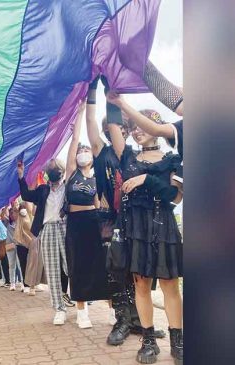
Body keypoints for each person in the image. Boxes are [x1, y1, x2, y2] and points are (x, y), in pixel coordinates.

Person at [86, 79, 167, 344]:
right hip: (113, 220)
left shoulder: (134, 154)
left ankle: (141, 324)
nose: (121, 128)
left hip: (140, 219)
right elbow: (92, 125)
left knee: (142, 272)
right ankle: (122, 320)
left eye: (126, 126)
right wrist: (94, 91)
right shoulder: (103, 151)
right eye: (118, 125)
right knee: (118, 271)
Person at [107, 106, 184, 364]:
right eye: (134, 126)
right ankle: (148, 340)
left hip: (163, 224)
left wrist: (145, 180)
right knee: (141, 284)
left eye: (143, 125)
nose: (137, 130)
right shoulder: (126, 155)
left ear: (156, 128)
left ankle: (178, 341)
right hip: (135, 228)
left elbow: (176, 196)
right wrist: (110, 93)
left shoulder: (173, 159)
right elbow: (114, 126)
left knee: (170, 285)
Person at [63, 102, 112, 329]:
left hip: (93, 222)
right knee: (78, 265)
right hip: (74, 223)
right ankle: (82, 312)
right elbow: (74, 140)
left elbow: (98, 205)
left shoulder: (95, 179)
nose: (83, 153)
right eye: (81, 151)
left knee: (100, 264)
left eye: (86, 151)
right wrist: (80, 112)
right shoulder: (71, 173)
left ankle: (113, 311)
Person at [17, 156, 71, 325]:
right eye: (49, 169)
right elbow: (25, 194)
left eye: (54, 168)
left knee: (70, 267)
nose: (51, 171)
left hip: (66, 228)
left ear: (61, 171)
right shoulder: (42, 190)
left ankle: (81, 300)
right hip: (47, 229)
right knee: (53, 270)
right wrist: (21, 176)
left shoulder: (68, 188)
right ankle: (59, 309)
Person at [3, 205, 23, 291]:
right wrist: (6, 206)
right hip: (10, 246)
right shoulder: (7, 223)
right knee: (11, 264)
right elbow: (2, 216)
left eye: (15, 212)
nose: (13, 215)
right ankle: (12, 283)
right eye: (11, 213)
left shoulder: (21, 222)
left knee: (20, 265)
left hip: (19, 245)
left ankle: (23, 283)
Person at [0, 210, 11, 288]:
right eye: (3, 212)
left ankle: (14, 280)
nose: (5, 214)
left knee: (11, 263)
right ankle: (6, 280)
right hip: (2, 243)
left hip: (10, 243)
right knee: (4, 263)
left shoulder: (10, 221)